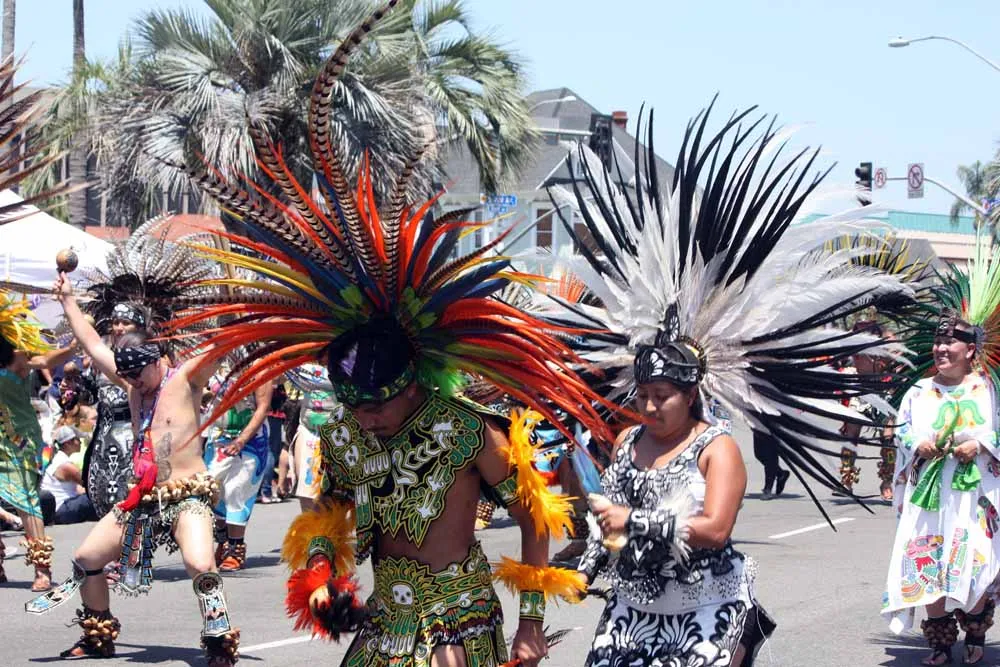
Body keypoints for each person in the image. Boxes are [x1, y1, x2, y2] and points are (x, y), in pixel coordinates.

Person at [160, 6, 612, 664]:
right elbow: (328, 515)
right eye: (356, 403)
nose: (365, 415)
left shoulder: (467, 428)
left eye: (377, 402)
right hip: (386, 620)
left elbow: (536, 514)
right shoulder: (346, 434)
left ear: (411, 384)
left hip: (460, 621)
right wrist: (321, 577)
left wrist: (531, 621)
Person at [544, 101, 910, 665]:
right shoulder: (627, 444)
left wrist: (632, 522)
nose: (649, 407)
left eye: (661, 397)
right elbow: (609, 521)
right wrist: (587, 567)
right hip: (632, 610)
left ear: (691, 394)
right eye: (643, 396)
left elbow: (714, 529)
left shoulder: (717, 449)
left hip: (704, 611)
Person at [25, 273, 240, 666]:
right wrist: (68, 300)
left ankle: (218, 642)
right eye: (127, 378)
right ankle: (98, 636)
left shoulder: (186, 380)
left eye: (138, 376)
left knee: (200, 564)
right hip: (141, 499)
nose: (134, 385)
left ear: (156, 361)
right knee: (86, 558)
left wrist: (234, 305)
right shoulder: (131, 382)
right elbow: (93, 344)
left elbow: (221, 343)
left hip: (187, 495)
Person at [882, 307, 1000, 666]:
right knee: (929, 563)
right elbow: (902, 430)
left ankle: (975, 631)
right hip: (929, 496)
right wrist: (917, 443)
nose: (941, 348)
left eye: (950, 342)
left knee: (976, 564)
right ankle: (941, 644)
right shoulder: (918, 392)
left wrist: (979, 444)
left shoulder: (988, 389)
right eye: (937, 342)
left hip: (975, 497)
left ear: (970, 349)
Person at [0, 293, 80, 590]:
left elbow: (46, 360)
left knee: (26, 500)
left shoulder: (15, 356)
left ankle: (42, 569)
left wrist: (73, 347)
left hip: (19, 440)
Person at [204, 380, 273, 572]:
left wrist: (241, 440)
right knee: (213, 491)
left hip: (251, 440)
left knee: (236, 490)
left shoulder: (259, 369)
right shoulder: (215, 366)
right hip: (218, 438)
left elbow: (263, 408)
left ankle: (236, 549)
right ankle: (223, 543)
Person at [40, 426, 97, 525]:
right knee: (96, 498)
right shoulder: (65, 465)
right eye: (77, 439)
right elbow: (91, 483)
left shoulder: (58, 458)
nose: (80, 442)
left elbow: (79, 488)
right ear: (68, 443)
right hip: (61, 510)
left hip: (60, 508)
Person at [752, 431, 790, 499]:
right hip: (758, 426)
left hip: (772, 427)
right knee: (759, 454)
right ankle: (781, 474)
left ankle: (768, 489)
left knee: (770, 454)